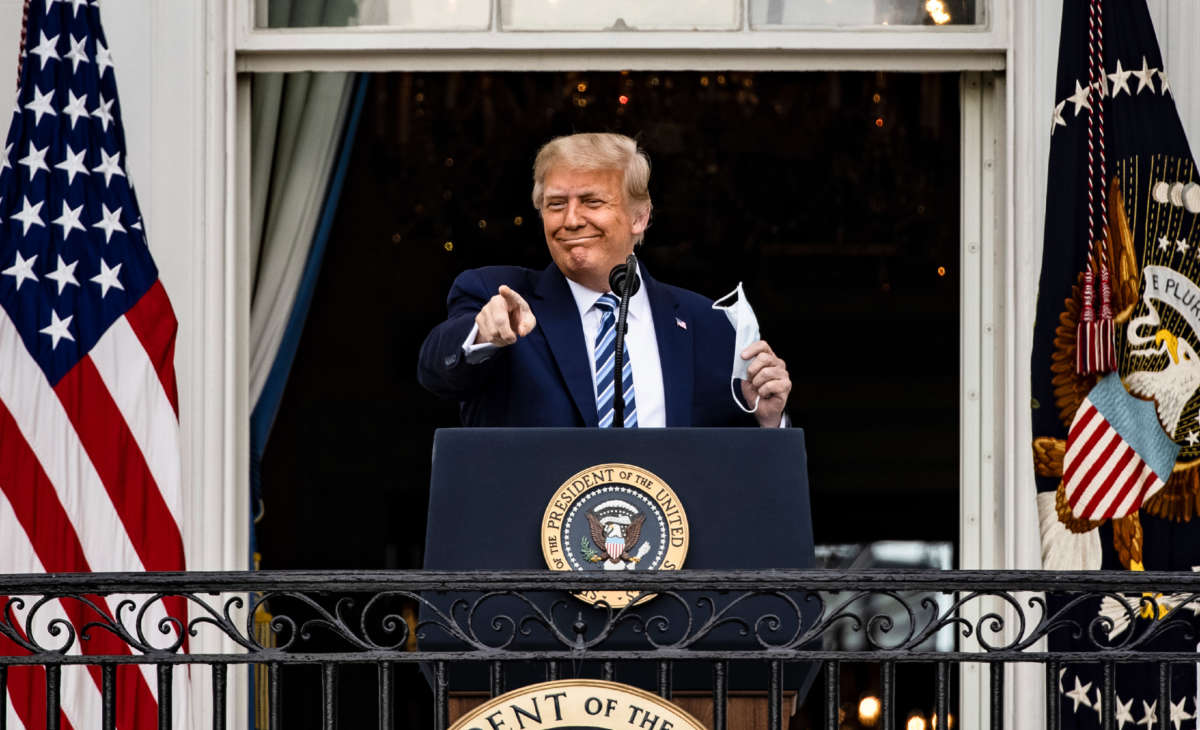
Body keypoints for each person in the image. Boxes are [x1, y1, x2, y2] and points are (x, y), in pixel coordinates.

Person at [418, 132, 791, 428]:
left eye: (593, 202)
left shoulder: (707, 323)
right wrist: (482, 336)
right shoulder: (497, 296)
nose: (571, 220)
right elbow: (436, 372)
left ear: (639, 218)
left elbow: (737, 472)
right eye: (556, 204)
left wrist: (769, 420)